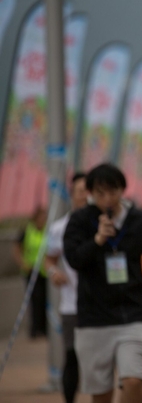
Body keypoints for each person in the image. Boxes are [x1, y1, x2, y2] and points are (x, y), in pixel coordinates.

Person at [63, 163, 142, 403]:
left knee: (134, 379)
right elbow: (74, 259)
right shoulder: (80, 220)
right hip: (93, 319)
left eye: (113, 192)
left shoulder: (138, 220)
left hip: (131, 316)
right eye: (100, 193)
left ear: (122, 190)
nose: (107, 199)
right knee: (101, 393)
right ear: (91, 193)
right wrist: (97, 240)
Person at [44, 172, 88, 403]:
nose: (85, 196)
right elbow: (49, 259)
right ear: (71, 195)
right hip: (71, 304)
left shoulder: (106, 225)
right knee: (71, 356)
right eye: (81, 191)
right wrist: (54, 272)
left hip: (101, 306)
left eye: (90, 191)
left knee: (101, 359)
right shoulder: (59, 228)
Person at [13, 205, 49, 338]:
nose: (43, 220)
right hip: (31, 271)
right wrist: (23, 264)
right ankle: (35, 329)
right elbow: (16, 249)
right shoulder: (27, 230)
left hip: (44, 271)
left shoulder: (47, 230)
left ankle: (44, 328)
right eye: (41, 217)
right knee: (34, 300)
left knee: (45, 299)